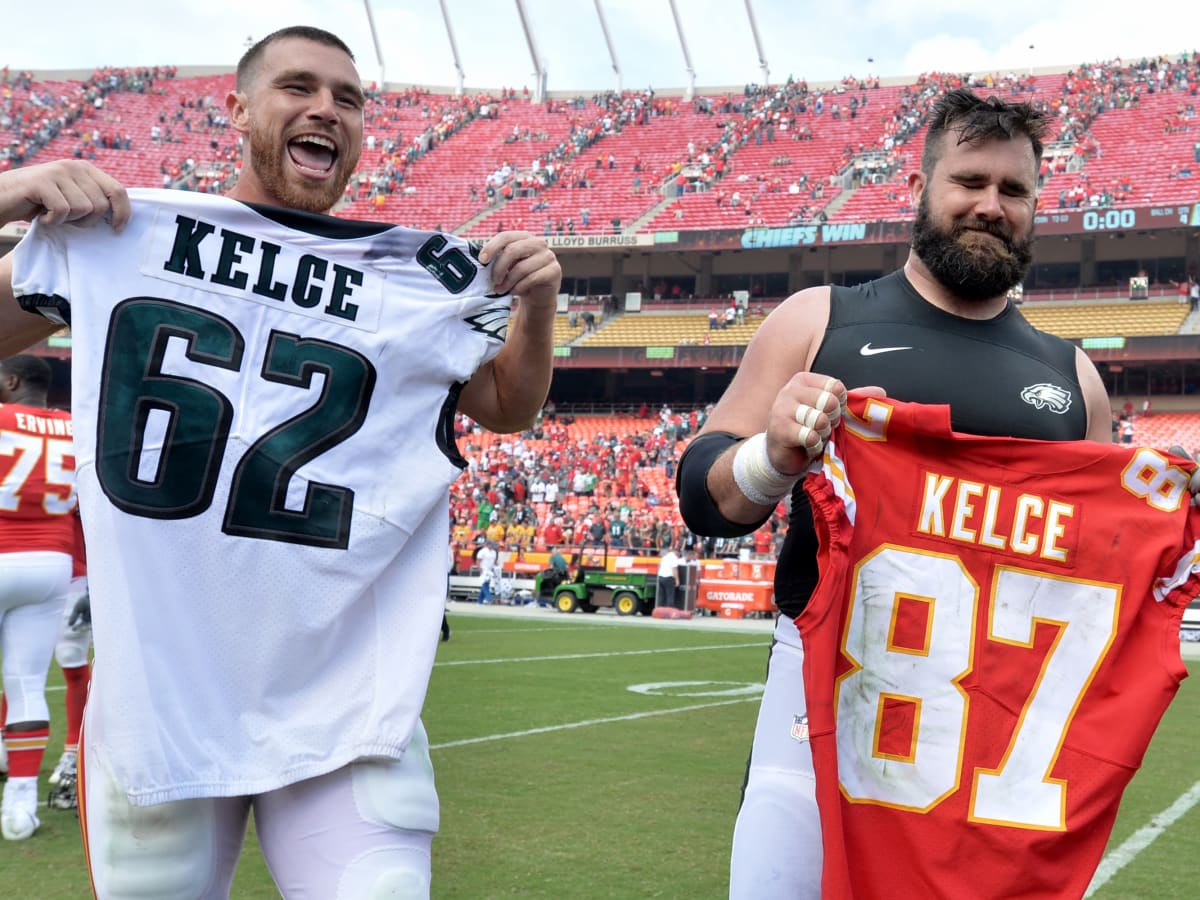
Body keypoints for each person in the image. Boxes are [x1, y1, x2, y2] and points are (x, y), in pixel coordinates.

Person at [0, 25, 560, 897]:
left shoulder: (405, 280)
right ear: (237, 108)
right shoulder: (122, 232)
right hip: (165, 685)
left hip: (347, 693)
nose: (326, 109)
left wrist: (538, 310)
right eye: (299, 87)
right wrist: (8, 192)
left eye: (348, 98)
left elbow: (508, 407)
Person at [676, 89, 1115, 899]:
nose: (991, 206)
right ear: (921, 187)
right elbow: (703, 499)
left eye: (1014, 191)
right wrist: (771, 458)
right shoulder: (820, 321)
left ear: (1035, 206)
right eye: (969, 181)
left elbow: (1099, 573)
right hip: (816, 718)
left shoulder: (1073, 379)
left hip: (989, 745)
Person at [0, 355, 77, 841]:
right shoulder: (75, 424)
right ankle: (20, 808)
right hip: (53, 561)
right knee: (28, 683)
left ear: (11, 381)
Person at [476, 540, 499, 604]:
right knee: (485, 584)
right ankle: (489, 598)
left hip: (490, 570)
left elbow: (494, 561)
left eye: (492, 545)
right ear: (488, 545)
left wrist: (497, 566)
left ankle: (479, 601)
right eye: (491, 545)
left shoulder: (494, 552)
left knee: (487, 584)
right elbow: (478, 560)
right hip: (483, 569)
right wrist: (479, 568)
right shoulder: (482, 551)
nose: (492, 546)